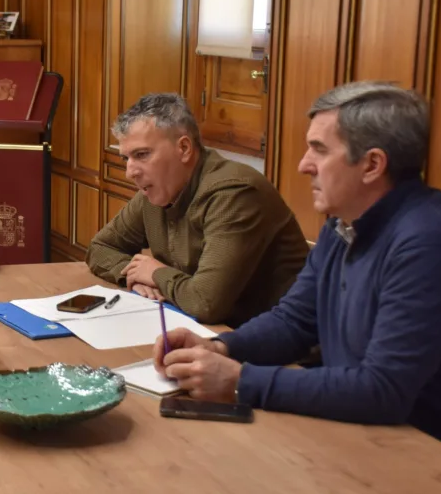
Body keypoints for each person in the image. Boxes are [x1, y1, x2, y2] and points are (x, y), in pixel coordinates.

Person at [155, 81, 441, 481]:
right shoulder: (343, 225)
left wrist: (241, 381)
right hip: (379, 436)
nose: (303, 164)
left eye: (320, 150)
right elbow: (295, 321)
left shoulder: (429, 244)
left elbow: (382, 391)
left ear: (372, 165)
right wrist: (221, 346)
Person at [86, 93, 308, 325]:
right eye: (126, 159)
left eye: (142, 155)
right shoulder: (157, 190)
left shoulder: (234, 193)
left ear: (184, 148)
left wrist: (154, 273)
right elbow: (99, 247)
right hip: (208, 332)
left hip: (278, 349)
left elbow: (205, 302)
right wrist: (132, 275)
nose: (130, 172)